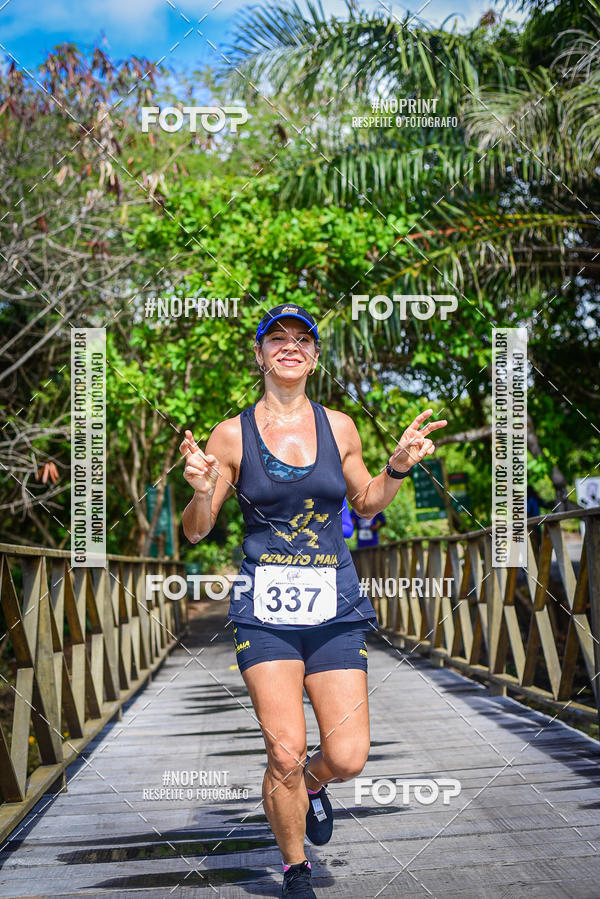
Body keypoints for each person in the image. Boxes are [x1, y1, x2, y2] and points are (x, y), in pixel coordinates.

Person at [179, 304, 447, 897]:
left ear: (316, 356)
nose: (290, 347)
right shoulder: (232, 434)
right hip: (264, 611)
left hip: (334, 605)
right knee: (285, 752)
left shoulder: (341, 427)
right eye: (277, 339)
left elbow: (367, 503)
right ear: (260, 355)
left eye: (303, 339)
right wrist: (201, 490)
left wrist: (398, 467)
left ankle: (315, 786)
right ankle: (296, 867)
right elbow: (196, 530)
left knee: (348, 755)